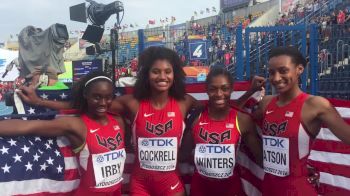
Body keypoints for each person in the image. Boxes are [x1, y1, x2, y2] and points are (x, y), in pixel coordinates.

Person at [17, 47, 264, 196]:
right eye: (156, 71)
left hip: (172, 182)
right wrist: (41, 103)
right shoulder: (132, 104)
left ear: (174, 75)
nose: (162, 76)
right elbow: (86, 105)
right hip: (140, 183)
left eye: (167, 72)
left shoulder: (184, 102)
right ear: (146, 74)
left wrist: (249, 93)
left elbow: (221, 108)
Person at [0, 71, 126, 196]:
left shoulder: (118, 121)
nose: (103, 103)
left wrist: (40, 102)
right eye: (96, 97)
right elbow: (29, 127)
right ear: (86, 95)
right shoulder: (76, 125)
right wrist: (39, 102)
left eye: (108, 97)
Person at [253, 46, 350, 195]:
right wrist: (250, 91)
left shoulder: (315, 105)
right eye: (271, 73)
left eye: (283, 71)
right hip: (269, 186)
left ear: (299, 69)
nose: (276, 78)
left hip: (297, 188)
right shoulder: (266, 102)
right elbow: (238, 119)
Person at [182, 67, 262, 196]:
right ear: (206, 90)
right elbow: (183, 155)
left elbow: (260, 159)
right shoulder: (196, 118)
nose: (219, 94)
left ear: (231, 89)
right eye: (213, 89)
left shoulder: (242, 120)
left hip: (230, 189)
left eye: (224, 88)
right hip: (200, 189)